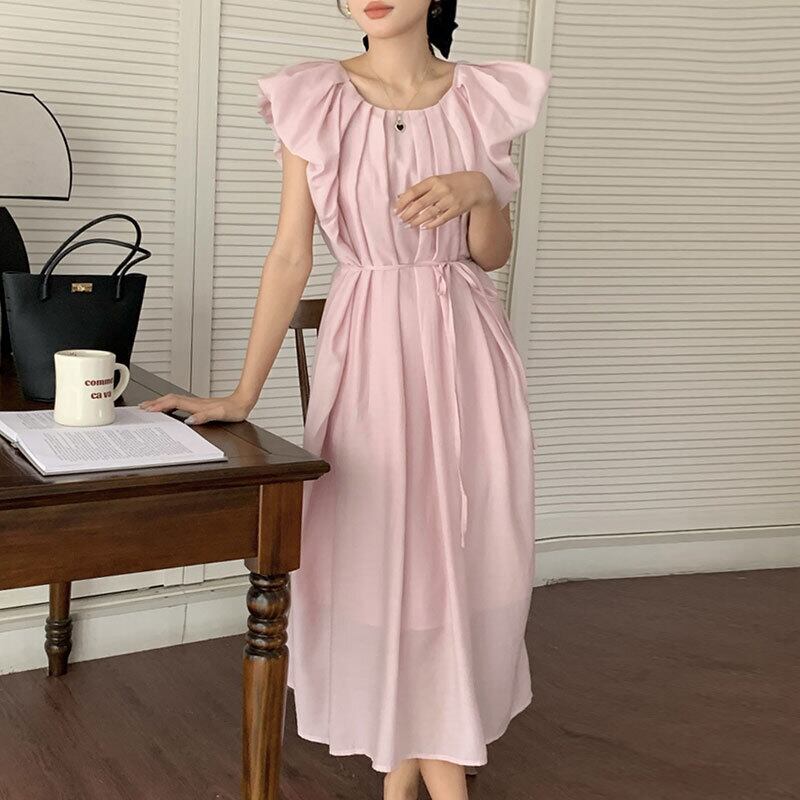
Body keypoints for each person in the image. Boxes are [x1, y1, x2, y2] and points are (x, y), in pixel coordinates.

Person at [139, 1, 551, 797]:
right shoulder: (314, 98)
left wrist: (482, 190)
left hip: (468, 349)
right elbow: (290, 255)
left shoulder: (481, 97)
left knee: (466, 546)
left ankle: (412, 764)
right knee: (376, 544)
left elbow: (490, 255)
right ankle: (422, 760)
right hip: (369, 350)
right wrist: (243, 392)